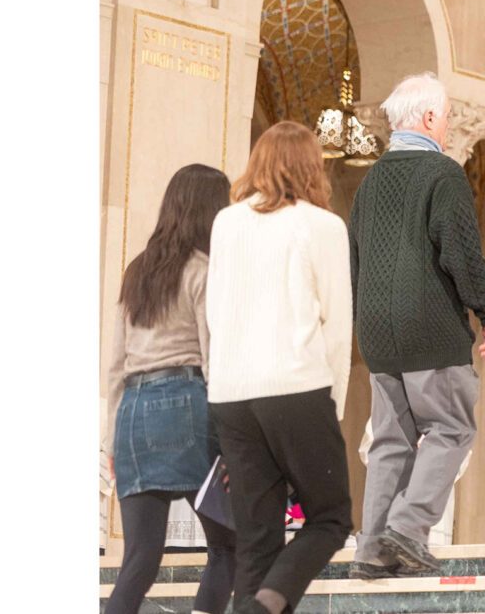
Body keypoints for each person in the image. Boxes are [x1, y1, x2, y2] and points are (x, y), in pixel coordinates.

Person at [348, 72, 485, 579]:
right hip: (429, 327)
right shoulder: (442, 174)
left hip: (377, 332)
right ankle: (409, 527)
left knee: (391, 441)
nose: (449, 125)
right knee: (452, 425)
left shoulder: (371, 180)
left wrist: (366, 317)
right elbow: (461, 254)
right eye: (448, 117)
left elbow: (355, 258)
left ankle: (371, 549)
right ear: (431, 118)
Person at [206, 121, 353, 614]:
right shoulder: (322, 225)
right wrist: (332, 408)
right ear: (313, 166)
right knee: (331, 518)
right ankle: (265, 604)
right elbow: (336, 326)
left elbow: (214, 312)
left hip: (230, 392)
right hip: (297, 386)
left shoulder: (226, 222)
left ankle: (258, 602)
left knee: (256, 538)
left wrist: (219, 380)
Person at [103, 164, 235, 614]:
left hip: (133, 414)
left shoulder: (136, 272)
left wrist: (111, 442)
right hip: (188, 405)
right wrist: (235, 437)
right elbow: (213, 358)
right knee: (227, 547)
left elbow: (115, 365)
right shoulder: (203, 270)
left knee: (140, 559)